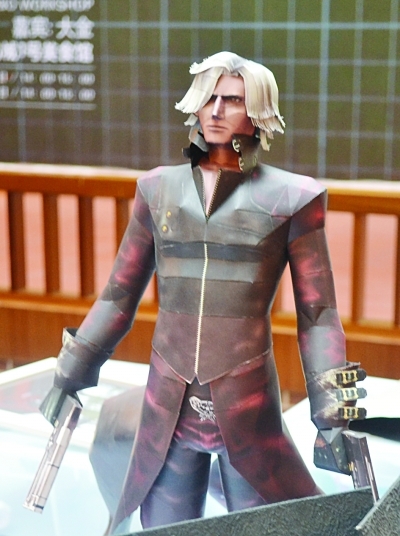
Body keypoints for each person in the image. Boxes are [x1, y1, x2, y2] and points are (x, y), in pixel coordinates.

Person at [41, 52, 366, 534]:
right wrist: (69, 373)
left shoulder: (293, 198)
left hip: (248, 410)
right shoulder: (158, 190)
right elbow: (117, 296)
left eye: (231, 99)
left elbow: (318, 316)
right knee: (163, 527)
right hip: (167, 409)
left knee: (264, 527)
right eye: (208, 97)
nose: (215, 110)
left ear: (258, 111)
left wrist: (334, 411)